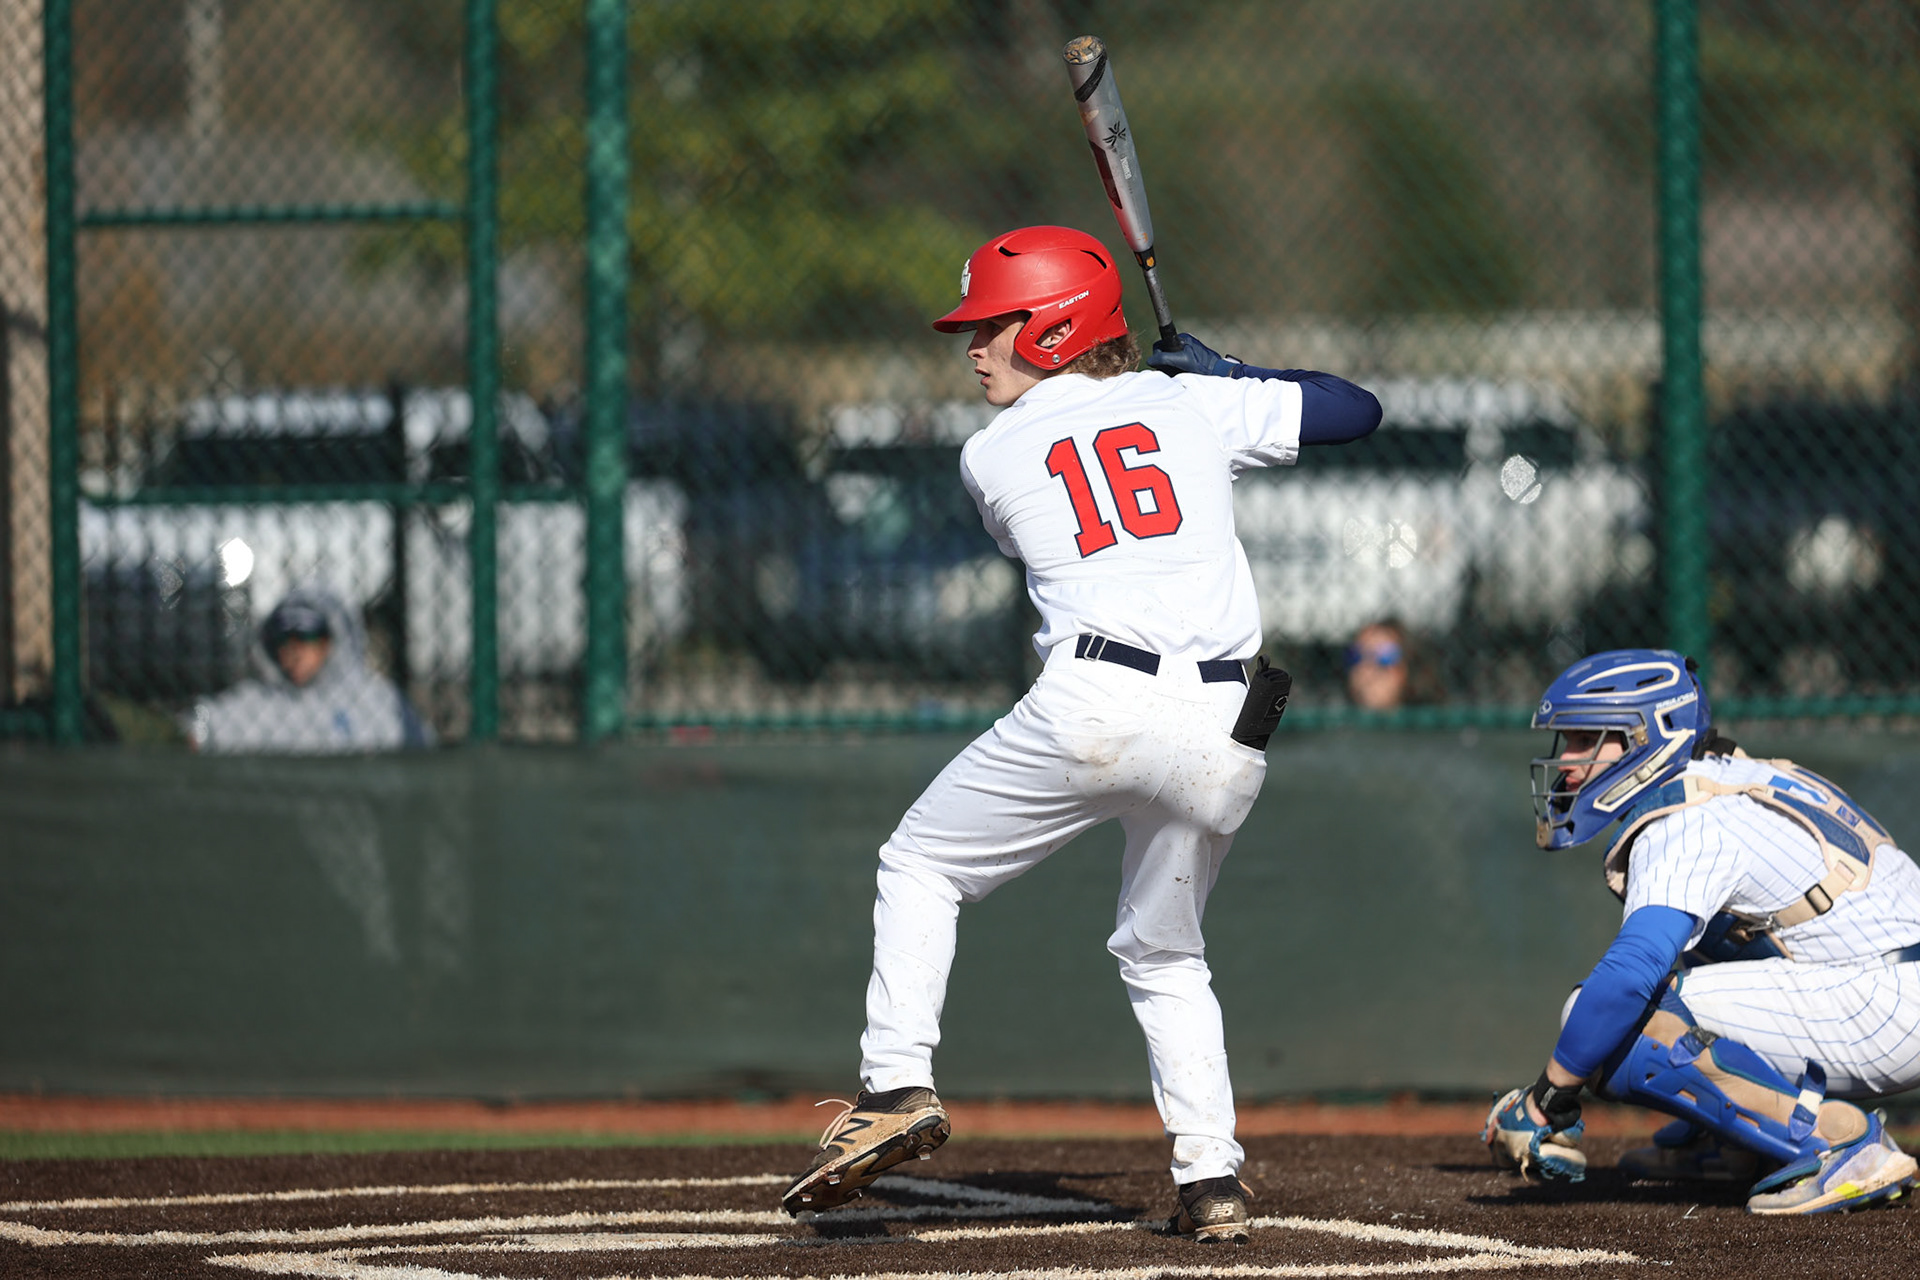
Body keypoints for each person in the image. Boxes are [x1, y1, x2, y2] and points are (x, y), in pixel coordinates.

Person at [780, 225, 1381, 1241]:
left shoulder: (990, 455)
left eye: (993, 327)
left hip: (1097, 703)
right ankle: (1212, 1178)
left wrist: (1187, 392)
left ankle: (894, 1085)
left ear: (1056, 325)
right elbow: (1356, 410)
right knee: (1166, 951)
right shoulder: (1193, 401)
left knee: (921, 863)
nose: (973, 347)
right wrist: (1227, 375)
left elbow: (1079, 486)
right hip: (1231, 727)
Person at [1482, 647, 1920, 1215]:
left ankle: (1841, 1143)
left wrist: (1546, 1099)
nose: (1567, 761)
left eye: (1587, 738)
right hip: (1885, 981)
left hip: (1886, 1002)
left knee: (1609, 1022)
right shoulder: (1733, 775)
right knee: (1705, 952)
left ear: (1646, 736)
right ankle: (1734, 1144)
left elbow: (1627, 979)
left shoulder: (1683, 820)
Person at [186, 584, 434, 754]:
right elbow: (203, 725)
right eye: (282, 641)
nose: (292, 653)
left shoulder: (378, 701)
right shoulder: (261, 702)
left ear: (331, 640)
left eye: (305, 638)